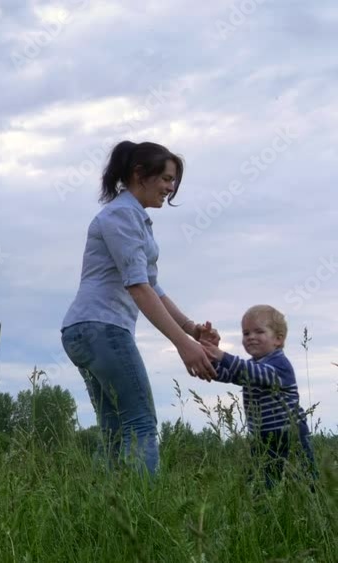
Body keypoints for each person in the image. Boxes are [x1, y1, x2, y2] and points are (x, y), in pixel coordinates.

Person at [60, 140, 219, 477]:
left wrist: (192, 329)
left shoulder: (133, 218)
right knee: (141, 423)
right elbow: (138, 288)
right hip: (101, 329)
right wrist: (183, 345)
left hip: (88, 330)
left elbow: (152, 287)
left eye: (173, 180)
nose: (170, 187)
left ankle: (109, 514)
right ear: (139, 175)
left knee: (116, 431)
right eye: (165, 178)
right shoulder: (121, 215)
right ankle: (143, 511)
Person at [199, 304, 318, 489]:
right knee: (262, 485)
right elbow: (223, 374)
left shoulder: (279, 365)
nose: (251, 337)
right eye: (246, 333)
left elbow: (254, 372)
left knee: (303, 483)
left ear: (278, 339)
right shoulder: (252, 365)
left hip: (290, 435)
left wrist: (223, 355)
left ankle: (310, 511)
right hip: (263, 439)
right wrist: (210, 352)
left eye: (259, 332)